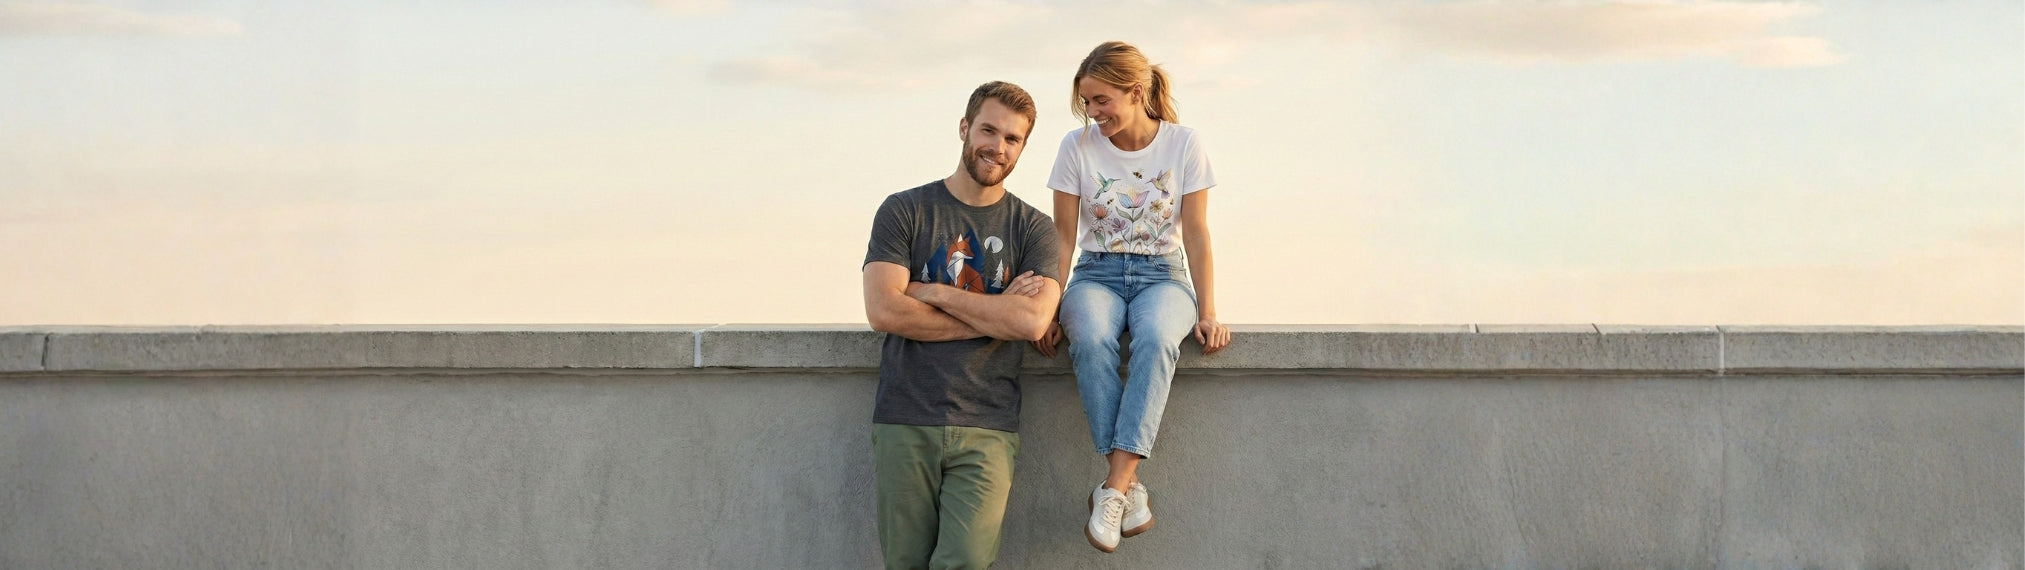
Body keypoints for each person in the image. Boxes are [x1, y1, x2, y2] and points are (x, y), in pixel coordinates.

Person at [1032, 41, 1232, 554]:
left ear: (1135, 92)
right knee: (1092, 336)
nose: (1094, 114)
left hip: (1163, 276)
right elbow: (1062, 235)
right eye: (1087, 104)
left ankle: (1113, 487)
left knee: (1159, 338)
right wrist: (1051, 307)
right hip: (1094, 274)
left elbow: (1197, 232)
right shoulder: (1075, 148)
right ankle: (1129, 489)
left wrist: (1207, 311)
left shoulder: (1184, 144)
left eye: (1101, 101)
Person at [861, 80, 1061, 569]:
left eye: (1013, 139)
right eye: (989, 131)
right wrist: (998, 315)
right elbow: (884, 311)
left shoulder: (1034, 228)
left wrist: (931, 293)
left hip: (987, 425)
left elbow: (1033, 321)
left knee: (966, 562)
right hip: (906, 416)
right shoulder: (904, 210)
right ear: (964, 128)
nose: (998, 147)